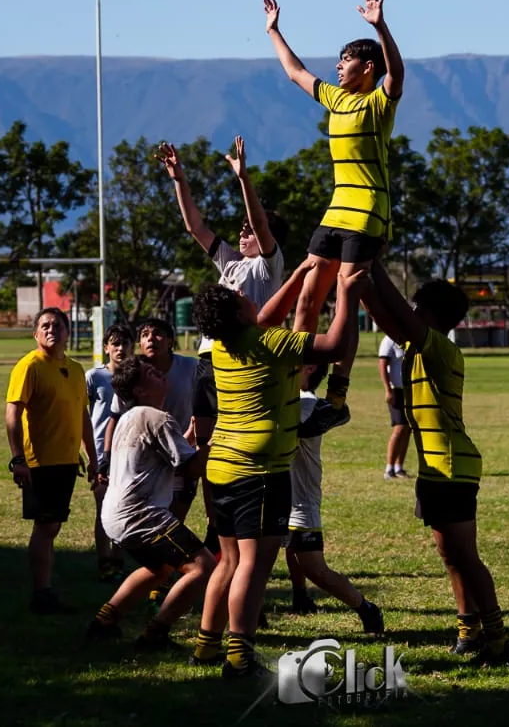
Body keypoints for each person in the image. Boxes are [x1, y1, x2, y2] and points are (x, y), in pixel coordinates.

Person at [192, 261, 365, 680]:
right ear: (238, 315)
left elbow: (265, 314)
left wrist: (301, 272)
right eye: (240, 297)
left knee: (229, 561)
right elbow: (337, 345)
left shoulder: (223, 345)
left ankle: (205, 645)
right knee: (254, 563)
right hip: (261, 472)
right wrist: (346, 292)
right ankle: (240, 656)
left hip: (221, 469)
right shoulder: (270, 344)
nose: (248, 295)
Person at [360, 261, 509, 667]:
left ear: (429, 314)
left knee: (466, 556)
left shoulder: (441, 348)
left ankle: (497, 639)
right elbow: (384, 316)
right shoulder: (414, 345)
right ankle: (469, 630)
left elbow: (397, 313)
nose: (409, 310)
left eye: (416, 305)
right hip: (433, 470)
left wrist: (374, 265)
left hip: (452, 467)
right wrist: (356, 278)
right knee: (450, 557)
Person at [262, 0, 404, 369]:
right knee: (308, 295)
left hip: (367, 214)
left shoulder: (378, 103)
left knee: (346, 298)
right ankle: (297, 377)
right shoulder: (336, 99)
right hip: (336, 212)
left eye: (346, 61)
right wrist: (274, 30)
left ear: (368, 68)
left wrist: (380, 27)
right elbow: (295, 72)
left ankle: (336, 394)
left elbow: (397, 73)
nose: (338, 67)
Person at [158, 135, 287, 544]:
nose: (244, 232)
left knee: (222, 449)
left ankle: (220, 529)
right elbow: (193, 226)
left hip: (239, 363)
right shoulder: (231, 263)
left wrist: (244, 178)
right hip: (206, 363)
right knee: (205, 450)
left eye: (249, 229)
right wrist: (179, 179)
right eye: (243, 228)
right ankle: (205, 521)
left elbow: (262, 223)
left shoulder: (268, 268)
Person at [88, 356, 219, 650]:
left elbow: (164, 456)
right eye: (150, 372)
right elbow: (191, 469)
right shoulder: (157, 418)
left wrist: (187, 437)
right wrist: (214, 440)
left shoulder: (130, 418)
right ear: (139, 390)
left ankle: (103, 622)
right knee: (202, 566)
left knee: (158, 569)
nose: (158, 372)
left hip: (115, 516)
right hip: (141, 515)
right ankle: (156, 633)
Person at [4, 307, 97, 616]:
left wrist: (92, 457)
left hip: (67, 461)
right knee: (46, 526)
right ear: (35, 333)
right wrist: (18, 458)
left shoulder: (75, 368)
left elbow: (82, 415)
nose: (51, 329)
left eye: (57, 324)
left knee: (52, 524)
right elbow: (12, 414)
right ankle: (41, 594)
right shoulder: (29, 366)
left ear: (68, 332)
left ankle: (44, 590)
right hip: (39, 461)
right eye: (44, 325)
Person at [283, 370, 386, 633]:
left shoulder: (305, 404)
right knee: (255, 562)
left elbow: (343, 412)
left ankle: (366, 608)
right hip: (272, 499)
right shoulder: (285, 399)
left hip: (300, 502)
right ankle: (287, 602)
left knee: (315, 569)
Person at [131, 318, 200, 521]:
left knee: (175, 518)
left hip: (184, 451)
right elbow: (117, 415)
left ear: (170, 341)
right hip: (148, 456)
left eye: (158, 334)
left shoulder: (191, 367)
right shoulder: (134, 372)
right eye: (145, 335)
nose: (151, 339)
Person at [87, 323, 133, 580]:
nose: (120, 348)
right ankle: (104, 560)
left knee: (125, 506)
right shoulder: (94, 377)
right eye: (115, 343)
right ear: (106, 348)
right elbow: (83, 415)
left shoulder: (136, 376)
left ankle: (119, 557)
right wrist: (89, 455)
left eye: (125, 343)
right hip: (100, 454)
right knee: (103, 506)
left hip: (128, 453)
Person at [379, 335, 411, 479]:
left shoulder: (410, 338)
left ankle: (399, 467)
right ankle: (389, 468)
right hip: (396, 390)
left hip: (410, 390)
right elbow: (382, 365)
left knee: (408, 428)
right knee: (399, 427)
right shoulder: (389, 340)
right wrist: (388, 389)